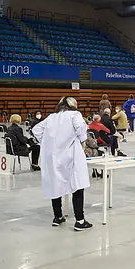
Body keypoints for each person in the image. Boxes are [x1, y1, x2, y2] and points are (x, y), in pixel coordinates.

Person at [31, 96, 93, 231]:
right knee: (77, 186)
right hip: (71, 155)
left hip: (53, 157)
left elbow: (36, 130)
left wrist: (48, 142)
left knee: (56, 185)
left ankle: (58, 217)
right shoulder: (74, 115)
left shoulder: (51, 117)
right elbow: (81, 128)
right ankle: (80, 220)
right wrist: (82, 141)